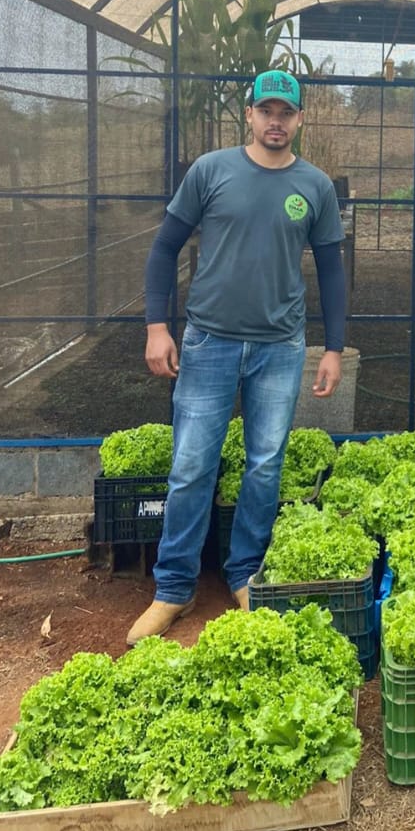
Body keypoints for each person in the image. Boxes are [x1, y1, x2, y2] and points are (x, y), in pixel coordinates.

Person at [126, 69, 347, 645]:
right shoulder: (210, 171)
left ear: (300, 120)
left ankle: (245, 573)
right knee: (191, 466)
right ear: (249, 114)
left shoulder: (315, 186)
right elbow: (164, 248)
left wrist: (333, 348)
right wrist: (157, 326)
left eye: (286, 112)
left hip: (280, 348)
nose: (276, 121)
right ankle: (173, 588)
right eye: (266, 110)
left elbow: (331, 271)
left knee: (264, 464)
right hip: (209, 341)